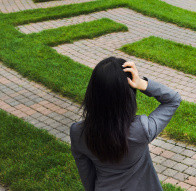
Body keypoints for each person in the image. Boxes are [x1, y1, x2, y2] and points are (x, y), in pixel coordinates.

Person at [70, 57, 181, 191]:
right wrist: (142, 83)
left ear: (93, 92)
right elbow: (173, 99)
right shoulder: (141, 129)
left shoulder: (78, 133)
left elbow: (87, 176)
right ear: (127, 95)